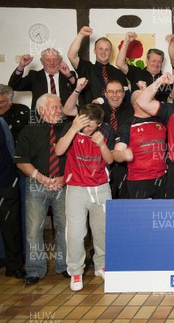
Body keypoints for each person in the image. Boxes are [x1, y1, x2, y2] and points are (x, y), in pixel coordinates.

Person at [55, 104, 114, 291]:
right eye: (84, 124)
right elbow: (58, 151)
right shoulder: (72, 130)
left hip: (101, 188)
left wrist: (102, 144)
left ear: (99, 124)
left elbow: (110, 160)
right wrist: (73, 128)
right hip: (76, 189)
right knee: (75, 233)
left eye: (91, 125)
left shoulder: (104, 132)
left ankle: (101, 265)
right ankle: (76, 271)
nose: (87, 128)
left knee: (102, 230)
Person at [14, 93, 68, 285]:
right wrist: (42, 178)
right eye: (55, 107)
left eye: (60, 107)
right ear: (42, 110)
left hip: (64, 184)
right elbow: (21, 161)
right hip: (37, 185)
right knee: (33, 229)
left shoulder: (67, 129)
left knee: (65, 227)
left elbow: (74, 158)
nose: (60, 111)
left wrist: (64, 177)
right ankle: (35, 270)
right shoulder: (29, 130)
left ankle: (65, 266)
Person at [64, 79, 133, 199]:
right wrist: (77, 89)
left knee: (121, 207)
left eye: (118, 92)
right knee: (101, 207)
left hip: (124, 165)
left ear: (124, 93)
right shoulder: (96, 109)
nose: (115, 95)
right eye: (111, 92)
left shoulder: (132, 110)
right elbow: (67, 110)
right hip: (99, 165)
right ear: (105, 94)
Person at [112, 90, 167, 199]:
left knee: (161, 215)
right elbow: (116, 153)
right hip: (139, 181)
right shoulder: (128, 125)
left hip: (163, 178)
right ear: (137, 104)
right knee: (142, 215)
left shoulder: (161, 121)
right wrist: (122, 155)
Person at [67, 26, 128, 105]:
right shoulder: (86, 68)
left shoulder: (119, 73)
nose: (103, 52)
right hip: (90, 114)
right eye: (100, 49)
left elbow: (125, 98)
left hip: (113, 115)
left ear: (111, 52)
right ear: (94, 51)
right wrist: (81, 35)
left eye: (107, 49)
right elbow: (71, 55)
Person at [9, 48, 76, 109]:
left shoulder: (69, 75)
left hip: (65, 117)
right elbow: (13, 85)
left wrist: (69, 75)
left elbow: (81, 91)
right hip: (41, 118)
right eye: (48, 60)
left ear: (60, 61)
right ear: (42, 61)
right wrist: (21, 66)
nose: (52, 63)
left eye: (55, 59)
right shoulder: (34, 76)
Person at [0, 116, 24, 279]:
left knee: (11, 226)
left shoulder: (1, 122)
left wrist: (12, 179)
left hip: (5, 182)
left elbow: (11, 150)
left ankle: (13, 265)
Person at [116, 32, 170, 102]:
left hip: (158, 112)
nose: (156, 64)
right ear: (147, 60)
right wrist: (127, 41)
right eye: (153, 61)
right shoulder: (137, 73)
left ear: (162, 63)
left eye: (159, 62)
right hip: (136, 112)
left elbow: (169, 99)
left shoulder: (165, 80)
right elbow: (120, 63)